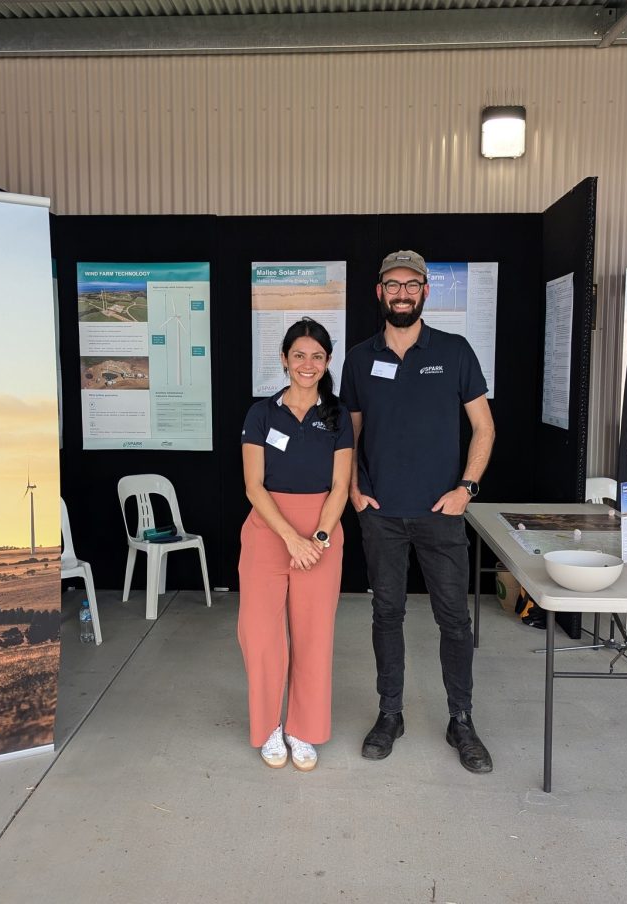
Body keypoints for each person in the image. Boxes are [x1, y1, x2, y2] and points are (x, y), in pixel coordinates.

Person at [340, 250, 496, 774]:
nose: (402, 293)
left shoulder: (453, 351)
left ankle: (462, 719)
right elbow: (351, 433)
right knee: (387, 615)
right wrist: (355, 490)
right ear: (378, 292)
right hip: (381, 514)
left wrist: (466, 488)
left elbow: (484, 427)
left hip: (440, 514)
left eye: (412, 285)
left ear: (425, 292)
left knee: (454, 619)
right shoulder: (360, 357)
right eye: (393, 285)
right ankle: (390, 714)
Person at [238, 318, 352, 772]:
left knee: (314, 637)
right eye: (299, 355)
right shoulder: (261, 414)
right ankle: (268, 725)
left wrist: (318, 539)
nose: (308, 364)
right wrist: (291, 539)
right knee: (262, 637)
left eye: (318, 356)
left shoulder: (338, 416)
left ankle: (303, 728)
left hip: (321, 537)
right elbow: (253, 485)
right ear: (284, 359)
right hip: (269, 534)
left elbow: (341, 485)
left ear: (327, 364)